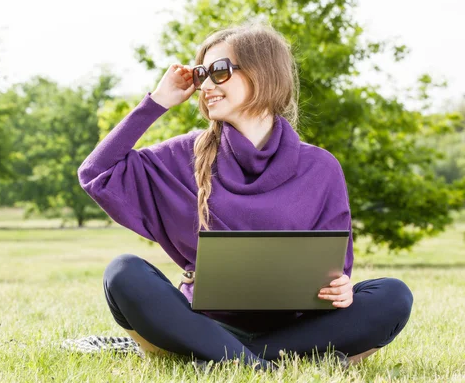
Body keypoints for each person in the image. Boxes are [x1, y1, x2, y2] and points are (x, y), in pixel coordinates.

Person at [77, 22, 413, 371]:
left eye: (219, 72)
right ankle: (264, 363)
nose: (205, 85)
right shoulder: (183, 155)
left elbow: (335, 272)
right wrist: (158, 102)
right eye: (202, 74)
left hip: (296, 328)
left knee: (393, 295)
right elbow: (96, 173)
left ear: (264, 74)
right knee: (123, 272)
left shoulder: (321, 167)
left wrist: (341, 288)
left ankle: (228, 359)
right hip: (202, 324)